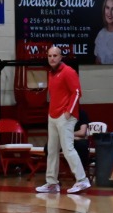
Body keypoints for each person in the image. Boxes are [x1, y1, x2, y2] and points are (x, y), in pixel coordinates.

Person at [36, 46, 91, 194]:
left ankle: (82, 180)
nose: (52, 58)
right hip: (53, 116)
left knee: (68, 149)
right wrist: (51, 113)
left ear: (61, 57)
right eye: (49, 56)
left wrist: (69, 112)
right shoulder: (51, 73)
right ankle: (52, 183)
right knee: (52, 150)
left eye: (55, 55)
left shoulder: (68, 72)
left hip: (65, 116)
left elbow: (77, 92)